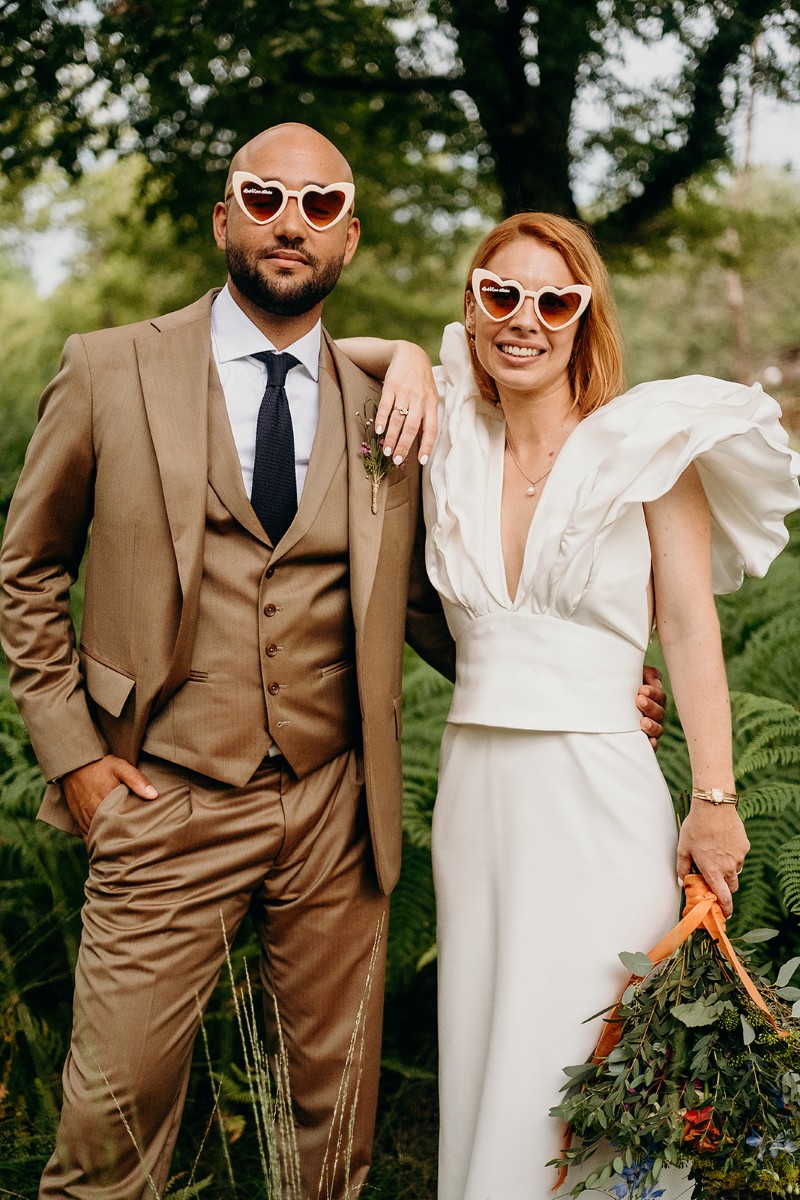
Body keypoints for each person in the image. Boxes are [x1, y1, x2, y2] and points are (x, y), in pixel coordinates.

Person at [0, 123, 666, 1200]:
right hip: (162, 795)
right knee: (107, 1132)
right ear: (225, 218)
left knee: (326, 1146)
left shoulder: (387, 412)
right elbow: (25, 570)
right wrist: (74, 759)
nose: (288, 223)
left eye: (318, 207)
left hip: (333, 817)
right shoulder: (108, 368)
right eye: (264, 197)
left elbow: (423, 598)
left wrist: (571, 676)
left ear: (347, 239)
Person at [340, 212, 800, 1199]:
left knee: (592, 1046)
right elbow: (301, 351)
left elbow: (685, 630)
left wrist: (712, 800)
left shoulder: (647, 448)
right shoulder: (444, 432)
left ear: (585, 316)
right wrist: (404, 360)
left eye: (555, 300)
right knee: (490, 1042)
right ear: (469, 307)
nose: (524, 320)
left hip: (599, 793)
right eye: (498, 294)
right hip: (476, 796)